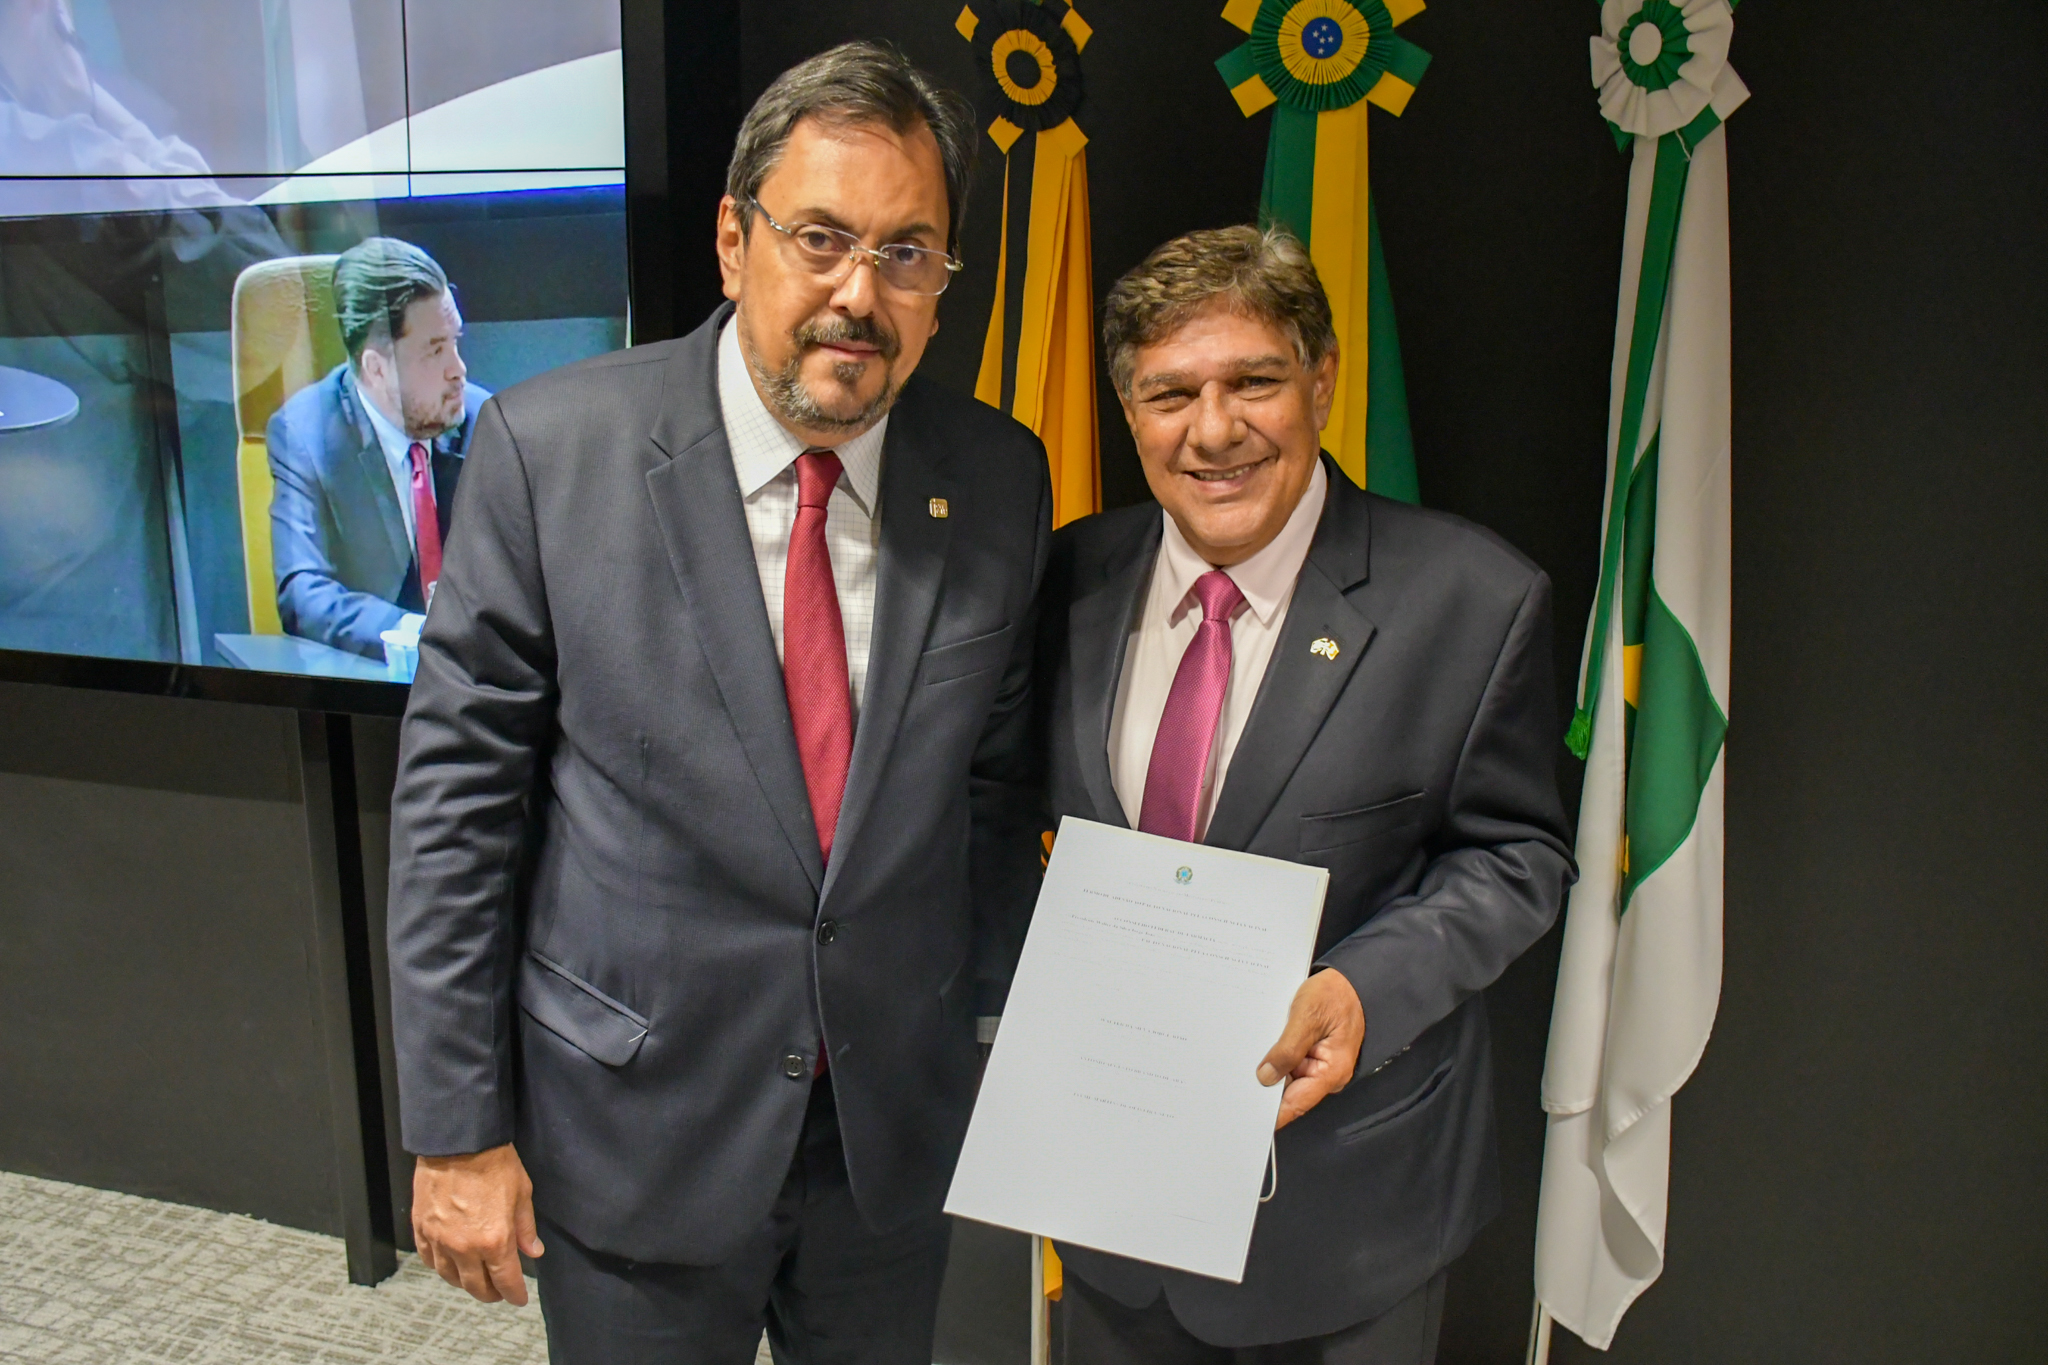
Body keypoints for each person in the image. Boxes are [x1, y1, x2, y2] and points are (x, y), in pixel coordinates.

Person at [384, 42, 1050, 1365]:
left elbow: (989, 792)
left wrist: (974, 1037)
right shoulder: (549, 453)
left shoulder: (996, 475)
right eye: (822, 238)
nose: (859, 294)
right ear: (735, 242)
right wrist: (458, 1130)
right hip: (638, 1124)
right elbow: (459, 814)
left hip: (885, 1142)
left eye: (907, 253)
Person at [1035, 225, 1576, 1363]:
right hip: (1113, 1211)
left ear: (1321, 379)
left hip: (1344, 1223)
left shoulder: (1471, 599)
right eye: (1169, 393)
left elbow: (1517, 855)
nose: (1213, 430)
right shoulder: (1062, 583)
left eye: (1253, 382)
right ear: (1127, 409)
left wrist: (1365, 989)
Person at [266, 237, 486, 659]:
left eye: (455, 342)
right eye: (435, 351)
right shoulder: (306, 436)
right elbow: (302, 594)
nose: (458, 370)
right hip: (375, 679)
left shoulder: (484, 421)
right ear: (376, 368)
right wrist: (416, 637)